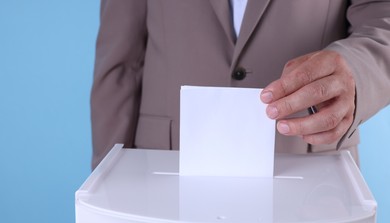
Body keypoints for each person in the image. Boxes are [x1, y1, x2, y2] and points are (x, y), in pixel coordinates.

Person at [90, 0, 390, 169]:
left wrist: (356, 72)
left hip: (311, 166)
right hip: (162, 165)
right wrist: (104, 182)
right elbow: (121, 62)